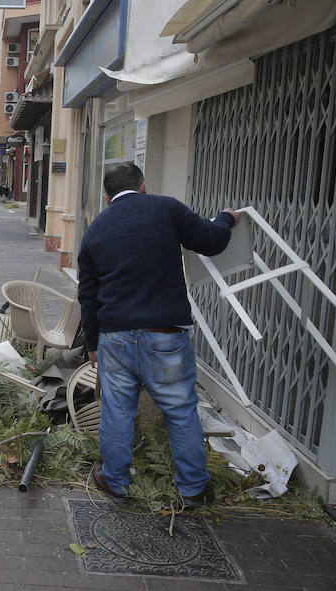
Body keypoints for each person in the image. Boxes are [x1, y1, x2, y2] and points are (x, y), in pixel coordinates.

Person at [77, 162, 239, 508]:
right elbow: (211, 241)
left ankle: (116, 481)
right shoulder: (166, 209)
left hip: (115, 338)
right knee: (180, 411)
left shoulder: (95, 231)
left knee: (117, 412)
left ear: (107, 197)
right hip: (165, 336)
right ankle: (194, 488)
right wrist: (227, 217)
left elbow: (87, 295)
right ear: (143, 186)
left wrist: (92, 344)